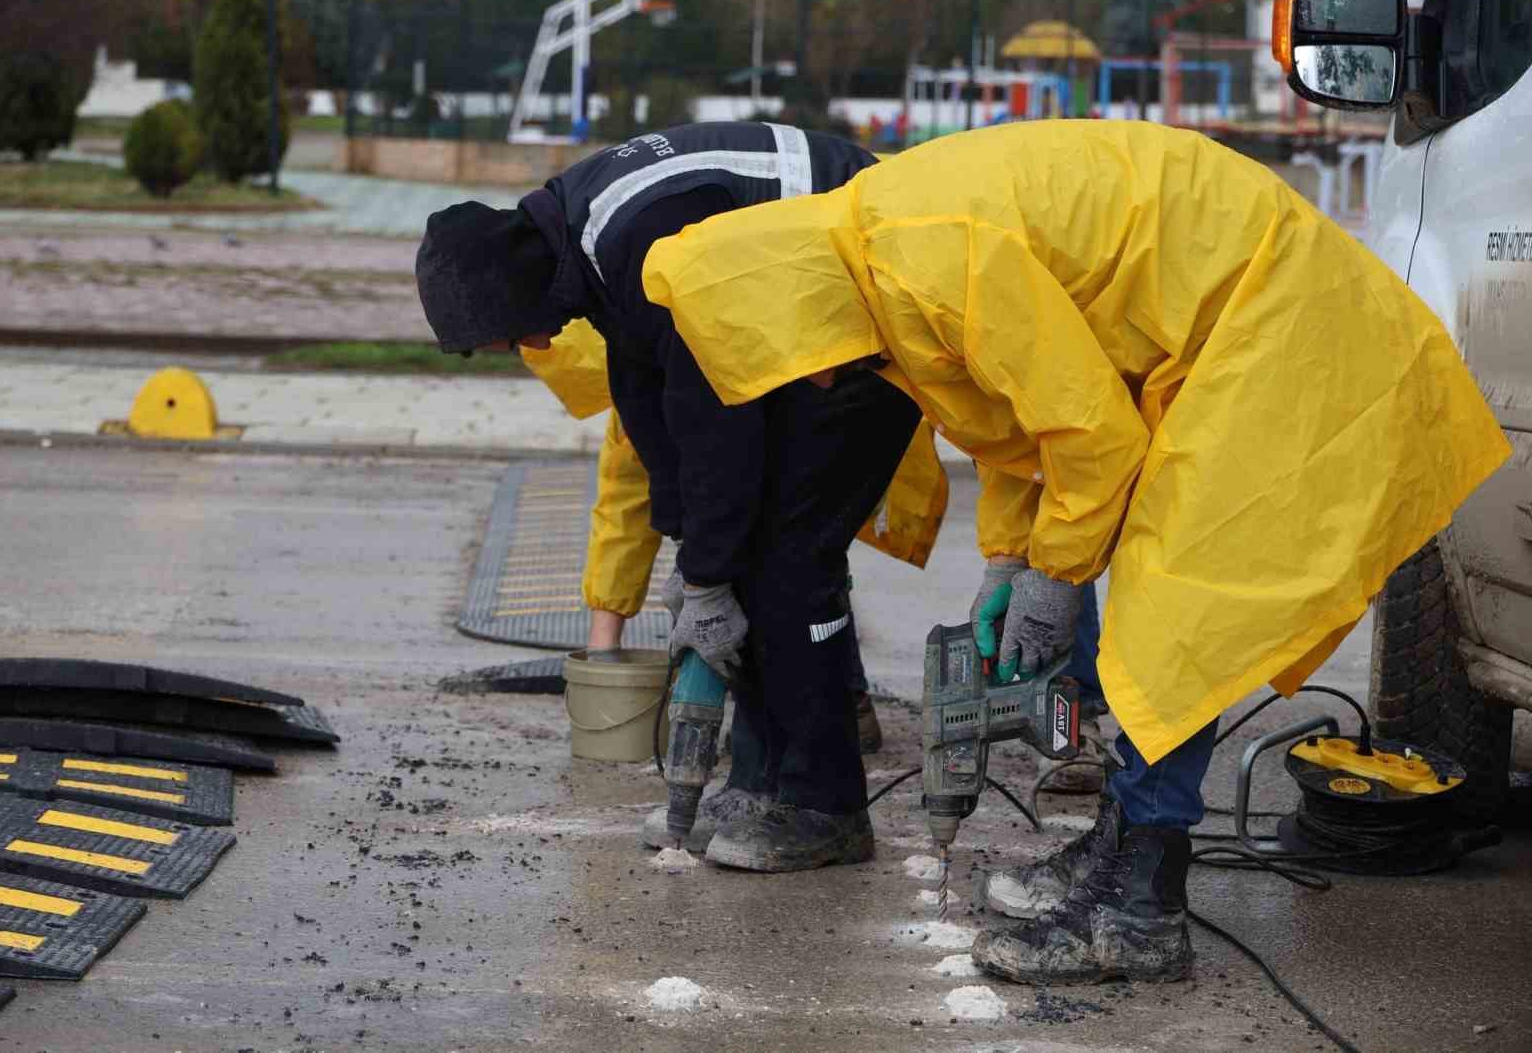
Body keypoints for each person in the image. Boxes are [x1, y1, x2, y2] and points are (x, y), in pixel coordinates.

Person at [639, 120, 1510, 982]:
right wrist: (1010, 557)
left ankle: (1138, 913)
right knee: (1152, 603)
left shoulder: (923, 256)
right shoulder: (875, 264)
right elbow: (1018, 419)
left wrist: (1056, 576)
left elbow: (1089, 436)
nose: (816, 382)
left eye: (797, 366)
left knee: (1170, 619)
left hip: (1276, 326)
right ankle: (1121, 845)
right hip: (1223, 328)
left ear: (789, 303)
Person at [415, 121, 930, 872]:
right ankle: (761, 782)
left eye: (507, 335)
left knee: (789, 561)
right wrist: (692, 550)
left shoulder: (636, 236)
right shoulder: (585, 238)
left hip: (874, 306)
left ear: (516, 289)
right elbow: (647, 393)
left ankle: (826, 805)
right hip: (805, 315)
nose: (525, 349)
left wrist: (709, 569)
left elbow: (718, 411)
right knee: (746, 557)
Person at [520, 317, 954, 758]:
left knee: (796, 560)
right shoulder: (645, 370)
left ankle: (834, 708)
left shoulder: (703, 340)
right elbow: (625, 500)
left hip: (835, 405)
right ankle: (794, 715)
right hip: (766, 418)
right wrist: (604, 646)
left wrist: (706, 570)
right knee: (750, 572)